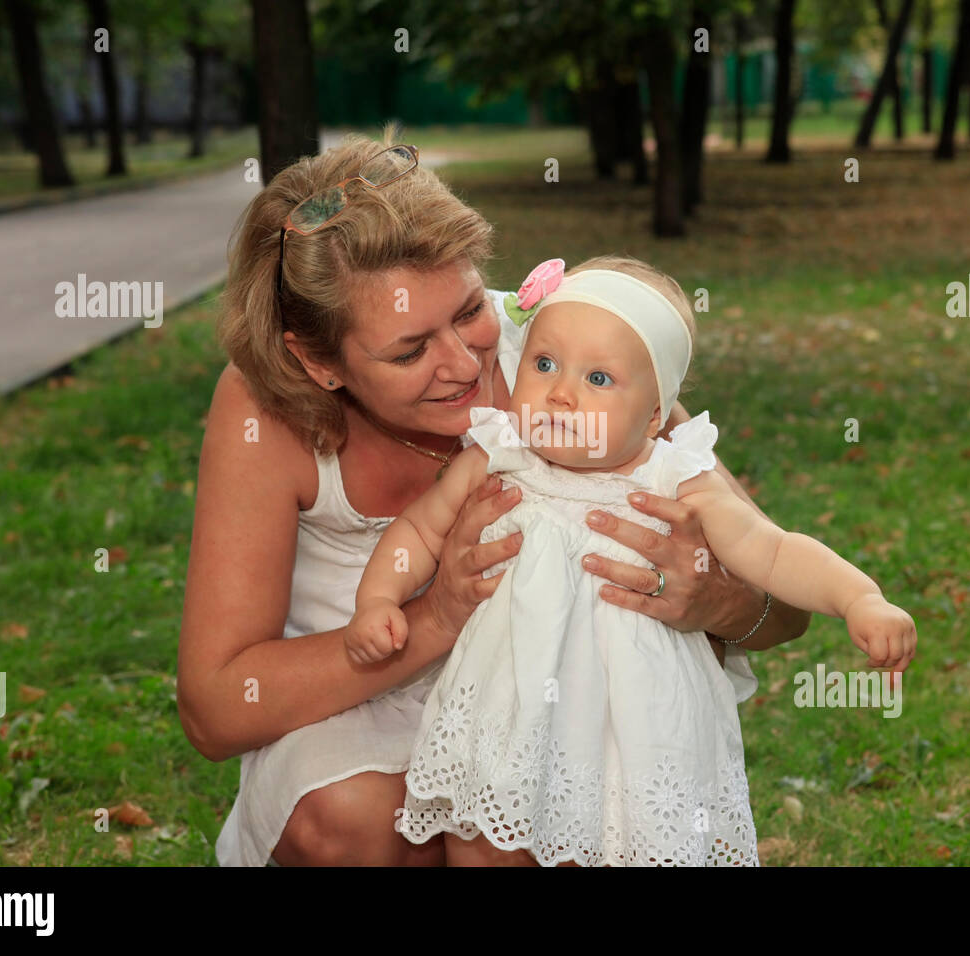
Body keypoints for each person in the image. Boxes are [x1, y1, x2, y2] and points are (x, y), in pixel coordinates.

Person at [176, 133, 813, 867]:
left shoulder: (575, 361)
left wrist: (717, 601)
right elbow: (218, 708)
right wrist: (437, 617)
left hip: (550, 701)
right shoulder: (265, 408)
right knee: (361, 820)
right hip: (353, 703)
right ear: (317, 363)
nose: (463, 363)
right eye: (410, 350)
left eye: (471, 309)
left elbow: (784, 609)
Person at [347, 256, 918, 866]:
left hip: (635, 717)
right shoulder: (499, 458)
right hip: (507, 699)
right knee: (483, 840)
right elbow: (420, 531)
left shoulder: (675, 481)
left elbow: (774, 550)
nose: (561, 393)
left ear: (653, 416)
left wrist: (859, 597)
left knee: (617, 838)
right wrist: (378, 600)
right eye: (544, 364)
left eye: (598, 379)